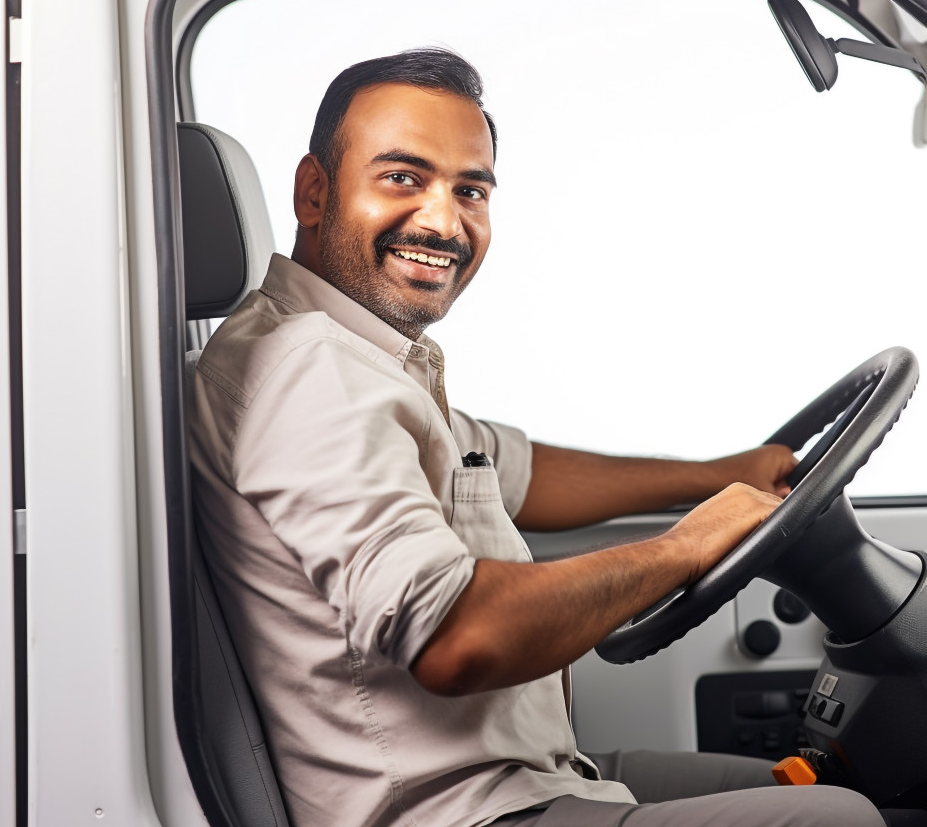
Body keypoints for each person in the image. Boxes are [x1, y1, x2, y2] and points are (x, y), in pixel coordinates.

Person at [188, 48, 884, 827]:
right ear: (314, 192)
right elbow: (457, 636)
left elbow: (508, 470)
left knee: (829, 791)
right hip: (457, 811)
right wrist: (686, 545)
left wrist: (719, 473)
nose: (443, 222)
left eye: (470, 190)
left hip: (521, 775)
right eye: (402, 178)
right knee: (839, 820)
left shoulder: (353, 351)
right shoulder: (310, 372)